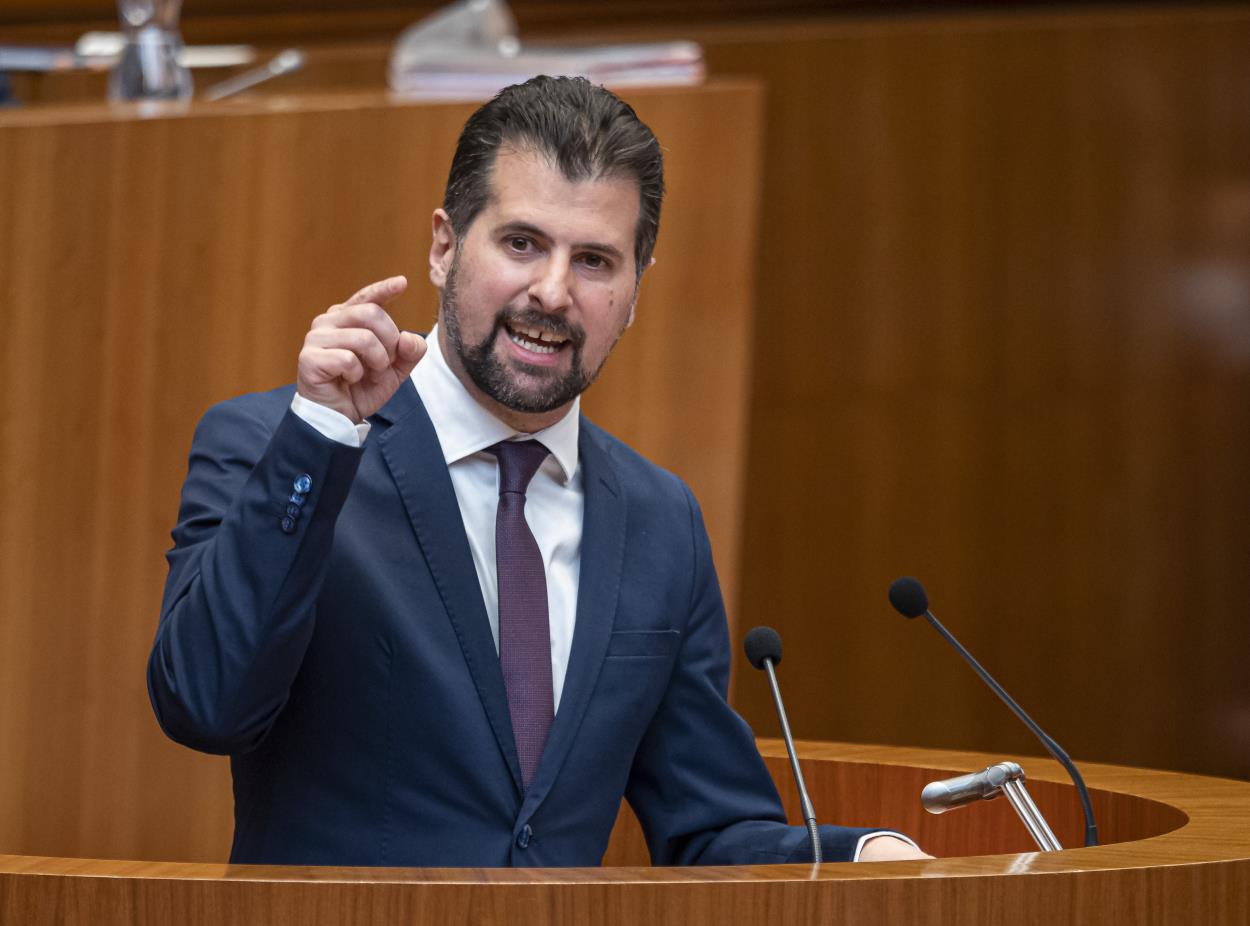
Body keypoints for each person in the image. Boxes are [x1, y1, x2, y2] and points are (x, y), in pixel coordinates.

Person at [148, 75, 927, 867]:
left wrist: (862, 858)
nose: (552, 292)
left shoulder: (661, 521)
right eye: (521, 243)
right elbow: (206, 707)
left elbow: (710, 828)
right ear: (445, 247)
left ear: (633, 295)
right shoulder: (278, 447)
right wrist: (318, 436)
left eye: (594, 260)